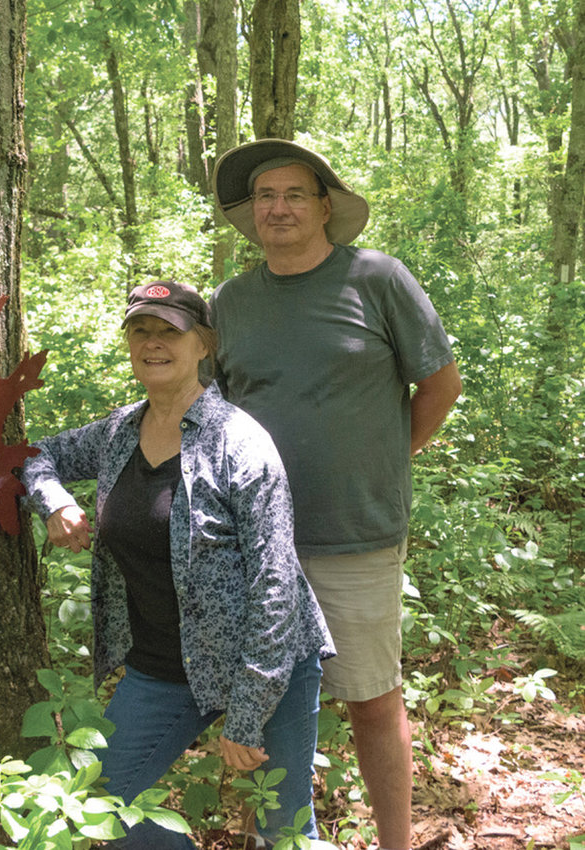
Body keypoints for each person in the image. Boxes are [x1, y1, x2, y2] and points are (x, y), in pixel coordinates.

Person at [210, 139, 462, 850]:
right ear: (249, 213)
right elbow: (214, 416)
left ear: (325, 206)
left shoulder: (376, 279)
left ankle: (394, 843)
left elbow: (439, 385)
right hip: (256, 542)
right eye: (264, 196)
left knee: (370, 700)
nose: (278, 207)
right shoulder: (230, 302)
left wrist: (383, 457)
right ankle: (275, 836)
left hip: (355, 531)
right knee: (261, 702)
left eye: (294, 194)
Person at [21, 280, 335, 849]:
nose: (154, 343)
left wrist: (247, 711)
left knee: (282, 827)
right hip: (163, 667)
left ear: (204, 344)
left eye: (171, 330)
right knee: (97, 805)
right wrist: (57, 500)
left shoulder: (239, 442)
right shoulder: (119, 432)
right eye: (141, 330)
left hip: (265, 665)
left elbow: (276, 584)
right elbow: (39, 454)